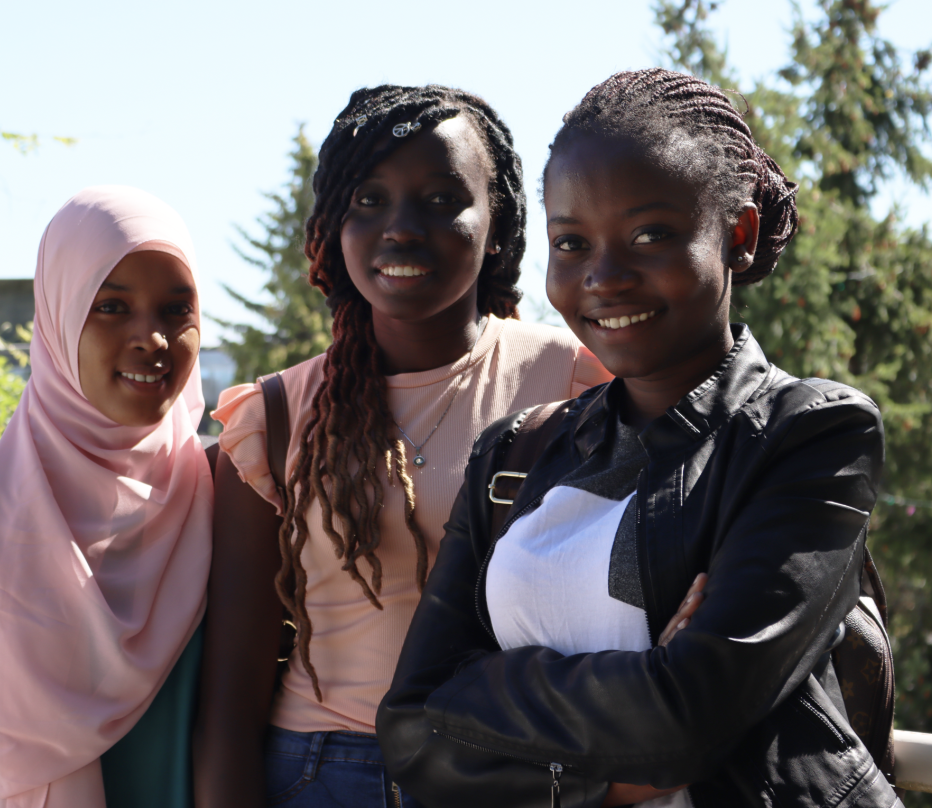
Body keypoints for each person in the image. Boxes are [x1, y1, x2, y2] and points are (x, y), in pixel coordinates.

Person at [377, 68, 898, 808]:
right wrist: (627, 732)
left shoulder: (808, 434)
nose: (604, 277)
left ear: (738, 237)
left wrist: (485, 688)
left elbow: (688, 721)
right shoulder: (512, 456)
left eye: (651, 234)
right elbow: (408, 727)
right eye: (572, 242)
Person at [192, 83, 623, 808]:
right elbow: (229, 695)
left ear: (499, 222)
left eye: (440, 198)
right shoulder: (275, 416)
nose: (400, 227)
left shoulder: (575, 381)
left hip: (508, 767)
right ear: (333, 224)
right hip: (319, 772)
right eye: (368, 199)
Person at [0, 186, 213, 808]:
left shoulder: (229, 505)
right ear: (56, 318)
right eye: (110, 307)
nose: (152, 338)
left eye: (175, 309)